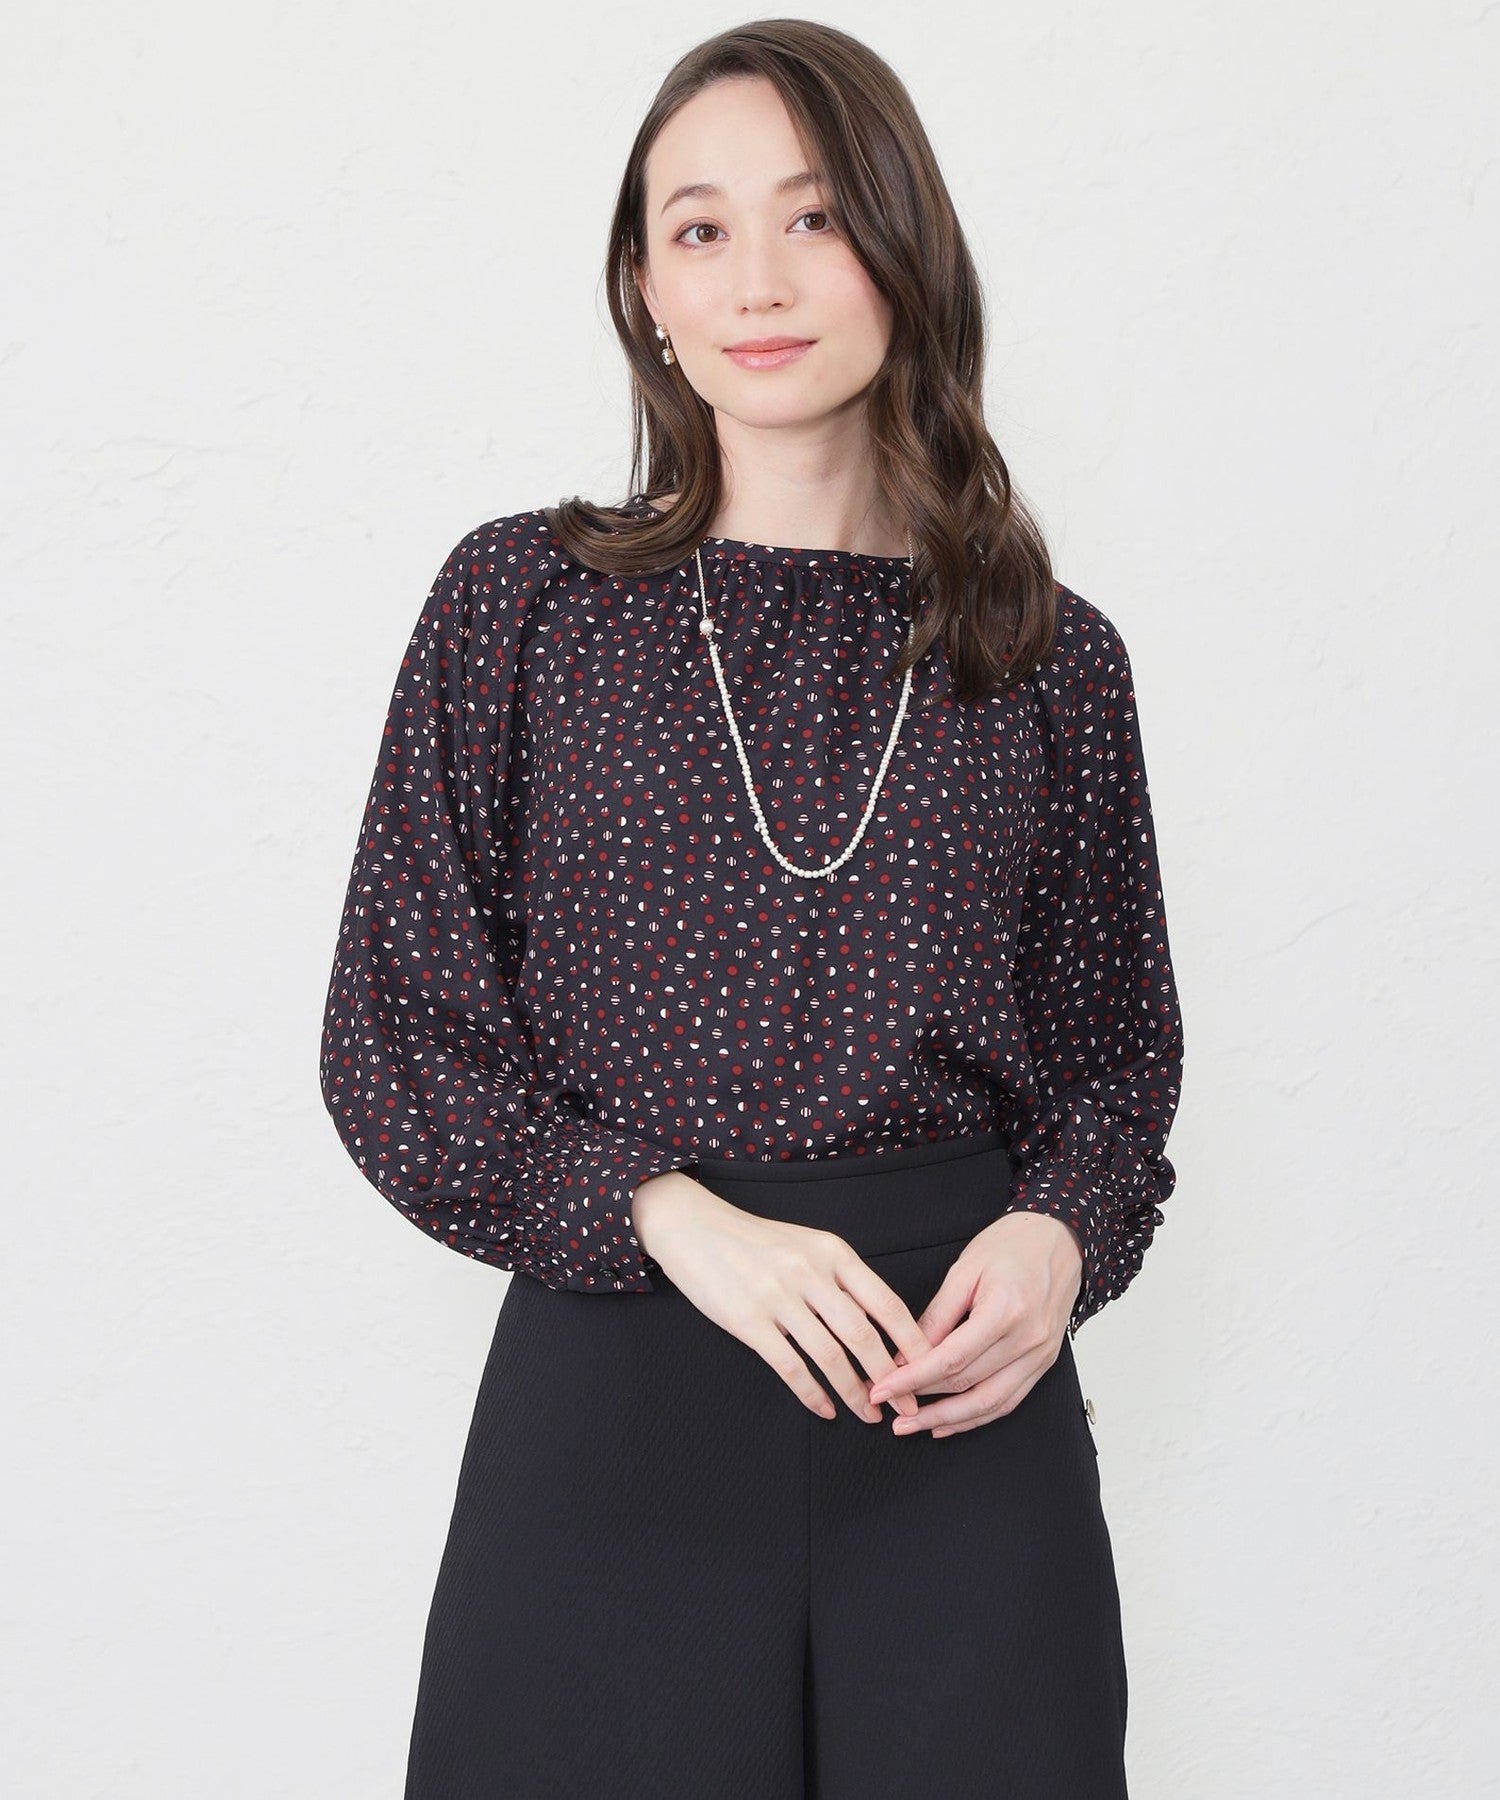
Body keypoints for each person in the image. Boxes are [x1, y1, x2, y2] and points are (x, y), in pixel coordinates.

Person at [318, 20, 1184, 1799]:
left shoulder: (1048, 660)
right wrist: (668, 1220)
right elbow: (397, 1041)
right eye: (699, 229)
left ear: (903, 249)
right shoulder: (522, 607)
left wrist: (1059, 1239)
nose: (758, 282)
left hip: (956, 1413)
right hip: (621, 1400)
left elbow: (1115, 1061)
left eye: (814, 217)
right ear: (644, 287)